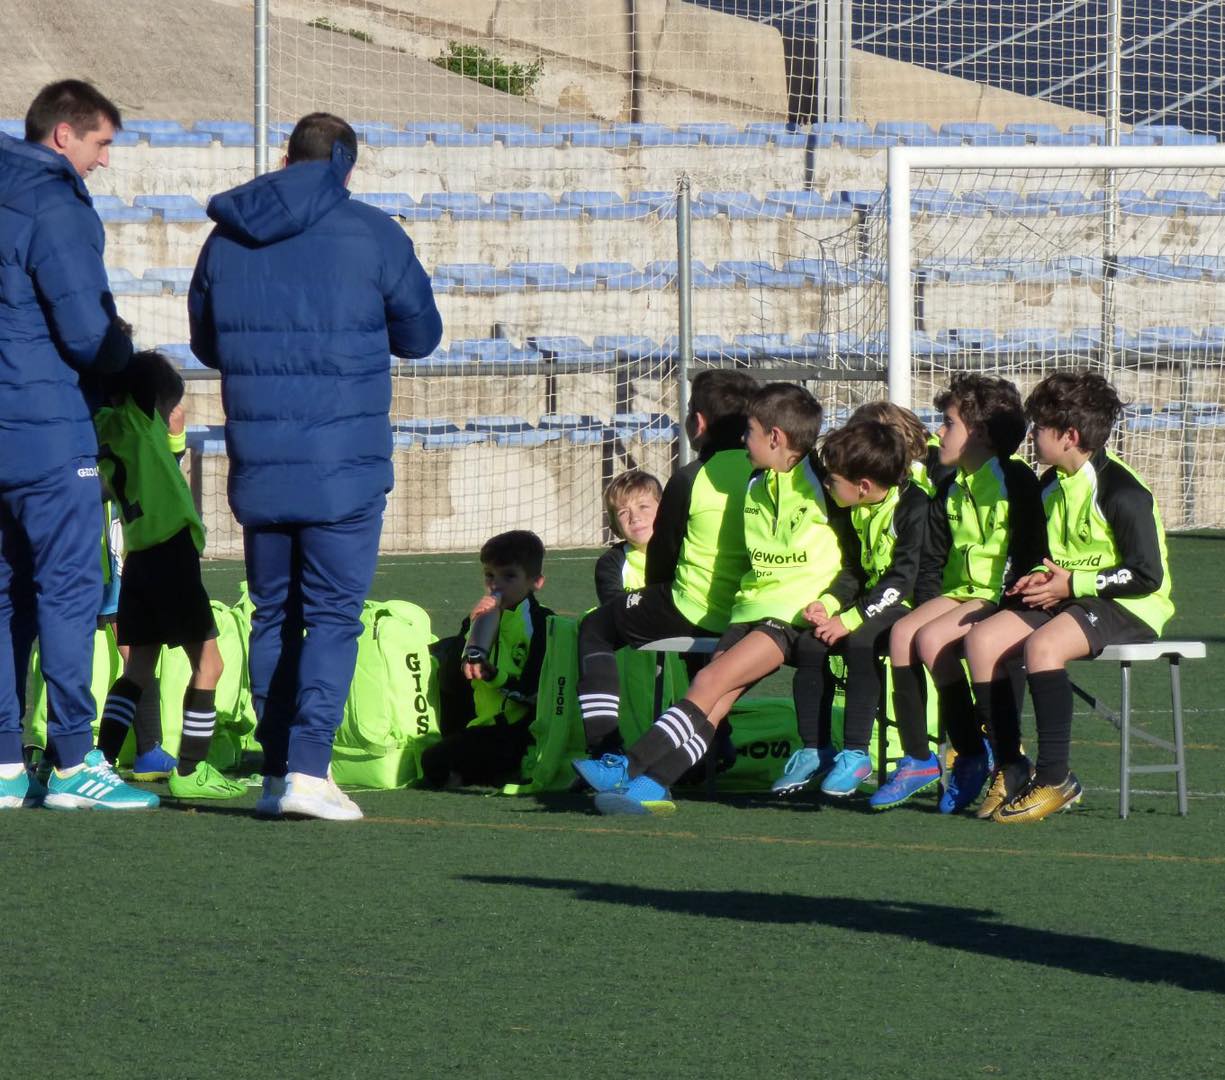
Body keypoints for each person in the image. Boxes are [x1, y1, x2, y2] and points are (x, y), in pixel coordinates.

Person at [188, 111, 443, 821]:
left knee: (273, 614)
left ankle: (275, 773)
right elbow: (421, 336)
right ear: (344, 164)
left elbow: (207, 344)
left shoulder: (228, 234)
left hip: (261, 458)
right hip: (344, 460)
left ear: (287, 155)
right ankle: (308, 768)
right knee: (333, 616)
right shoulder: (372, 232)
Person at [575, 383, 859, 815]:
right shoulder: (756, 482)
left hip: (787, 615)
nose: (744, 440)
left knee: (708, 683)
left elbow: (851, 558)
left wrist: (834, 603)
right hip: (750, 607)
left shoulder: (820, 482)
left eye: (750, 432)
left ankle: (625, 766)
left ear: (776, 439)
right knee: (716, 698)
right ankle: (652, 785)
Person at [0, 79, 155, 811]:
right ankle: (71, 761)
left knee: (2, 598)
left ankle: (2, 763)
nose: (102, 161)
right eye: (100, 144)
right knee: (66, 593)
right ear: (64, 134)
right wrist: (124, 352)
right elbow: (85, 333)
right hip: (45, 429)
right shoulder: (52, 203)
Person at [963, 371, 1174, 823]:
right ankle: (1011, 766)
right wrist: (1038, 578)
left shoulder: (1122, 492)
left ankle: (1056, 778)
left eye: (1039, 427)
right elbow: (1049, 556)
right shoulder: (1051, 484)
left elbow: (1147, 576)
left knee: (1042, 647)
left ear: (1070, 436)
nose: (1032, 434)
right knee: (981, 641)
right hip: (1073, 597)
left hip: (1129, 605)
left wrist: (1071, 584)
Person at [879, 373, 1046, 813]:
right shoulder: (952, 485)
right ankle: (919, 758)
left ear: (982, 434)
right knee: (902, 635)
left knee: (932, 639)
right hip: (960, 593)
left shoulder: (1015, 480)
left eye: (948, 423)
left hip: (998, 594)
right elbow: (933, 559)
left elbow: (1029, 549)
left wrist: (1007, 595)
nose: (939, 432)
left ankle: (977, 753)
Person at [574, 369, 758, 757]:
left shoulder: (691, 478)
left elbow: (663, 553)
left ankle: (605, 749)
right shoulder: (769, 475)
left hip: (695, 608)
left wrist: (656, 591)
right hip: (755, 616)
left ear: (699, 422)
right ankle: (715, 745)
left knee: (595, 627)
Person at [92, 351, 244, 799]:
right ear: (148, 400)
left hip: (138, 555)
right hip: (170, 553)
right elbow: (144, 389)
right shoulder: (139, 422)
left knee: (137, 667)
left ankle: (98, 762)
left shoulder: (105, 427)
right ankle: (192, 769)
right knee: (210, 665)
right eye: (165, 405)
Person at [773, 416, 931, 799]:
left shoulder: (914, 506)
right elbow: (854, 571)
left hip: (911, 603)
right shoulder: (854, 508)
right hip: (872, 601)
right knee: (810, 644)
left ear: (862, 486)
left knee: (861, 643)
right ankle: (814, 749)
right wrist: (826, 604)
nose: (826, 486)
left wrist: (851, 618)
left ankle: (856, 754)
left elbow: (902, 580)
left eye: (832, 480)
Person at [421, 531, 553, 788]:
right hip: (480, 724)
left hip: (520, 731)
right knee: (431, 759)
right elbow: (451, 680)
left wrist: (494, 676)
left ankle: (507, 769)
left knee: (440, 762)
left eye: (509, 576)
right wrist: (470, 630)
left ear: (536, 582)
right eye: (490, 576)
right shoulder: (479, 619)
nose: (496, 585)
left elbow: (534, 693)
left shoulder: (542, 623)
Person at [594, 469, 663, 604]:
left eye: (643, 506)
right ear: (615, 527)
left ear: (664, 510)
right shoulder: (611, 562)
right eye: (623, 512)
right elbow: (614, 607)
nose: (635, 518)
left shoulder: (685, 549)